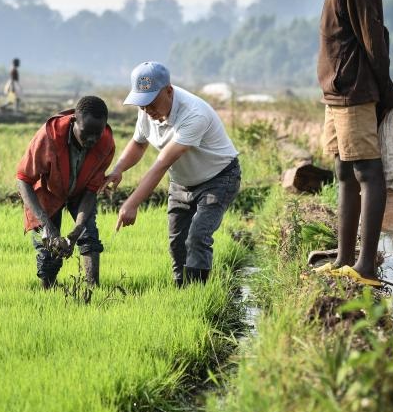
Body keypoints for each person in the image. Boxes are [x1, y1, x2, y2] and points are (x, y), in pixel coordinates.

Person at [312, 0, 393, 286]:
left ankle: (365, 265)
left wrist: (385, 91)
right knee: (343, 171)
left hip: (354, 91)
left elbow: (373, 40)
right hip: (337, 94)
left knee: (368, 172)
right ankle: (345, 256)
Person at [107, 62, 240, 287]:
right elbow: (138, 145)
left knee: (197, 237)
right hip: (181, 182)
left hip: (218, 179)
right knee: (177, 242)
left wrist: (131, 203)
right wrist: (118, 169)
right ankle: (181, 290)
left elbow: (161, 163)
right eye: (142, 104)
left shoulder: (193, 113)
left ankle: (197, 294)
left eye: (151, 102)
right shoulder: (147, 112)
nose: (147, 110)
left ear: (169, 90)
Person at [16, 96, 115, 288]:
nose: (92, 140)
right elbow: (23, 179)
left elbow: (90, 191)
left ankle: (92, 290)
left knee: (89, 234)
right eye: (87, 133)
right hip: (48, 190)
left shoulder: (106, 144)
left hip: (80, 190)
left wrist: (77, 229)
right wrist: (46, 224)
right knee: (49, 249)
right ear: (74, 122)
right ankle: (48, 292)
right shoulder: (50, 137)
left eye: (98, 133)